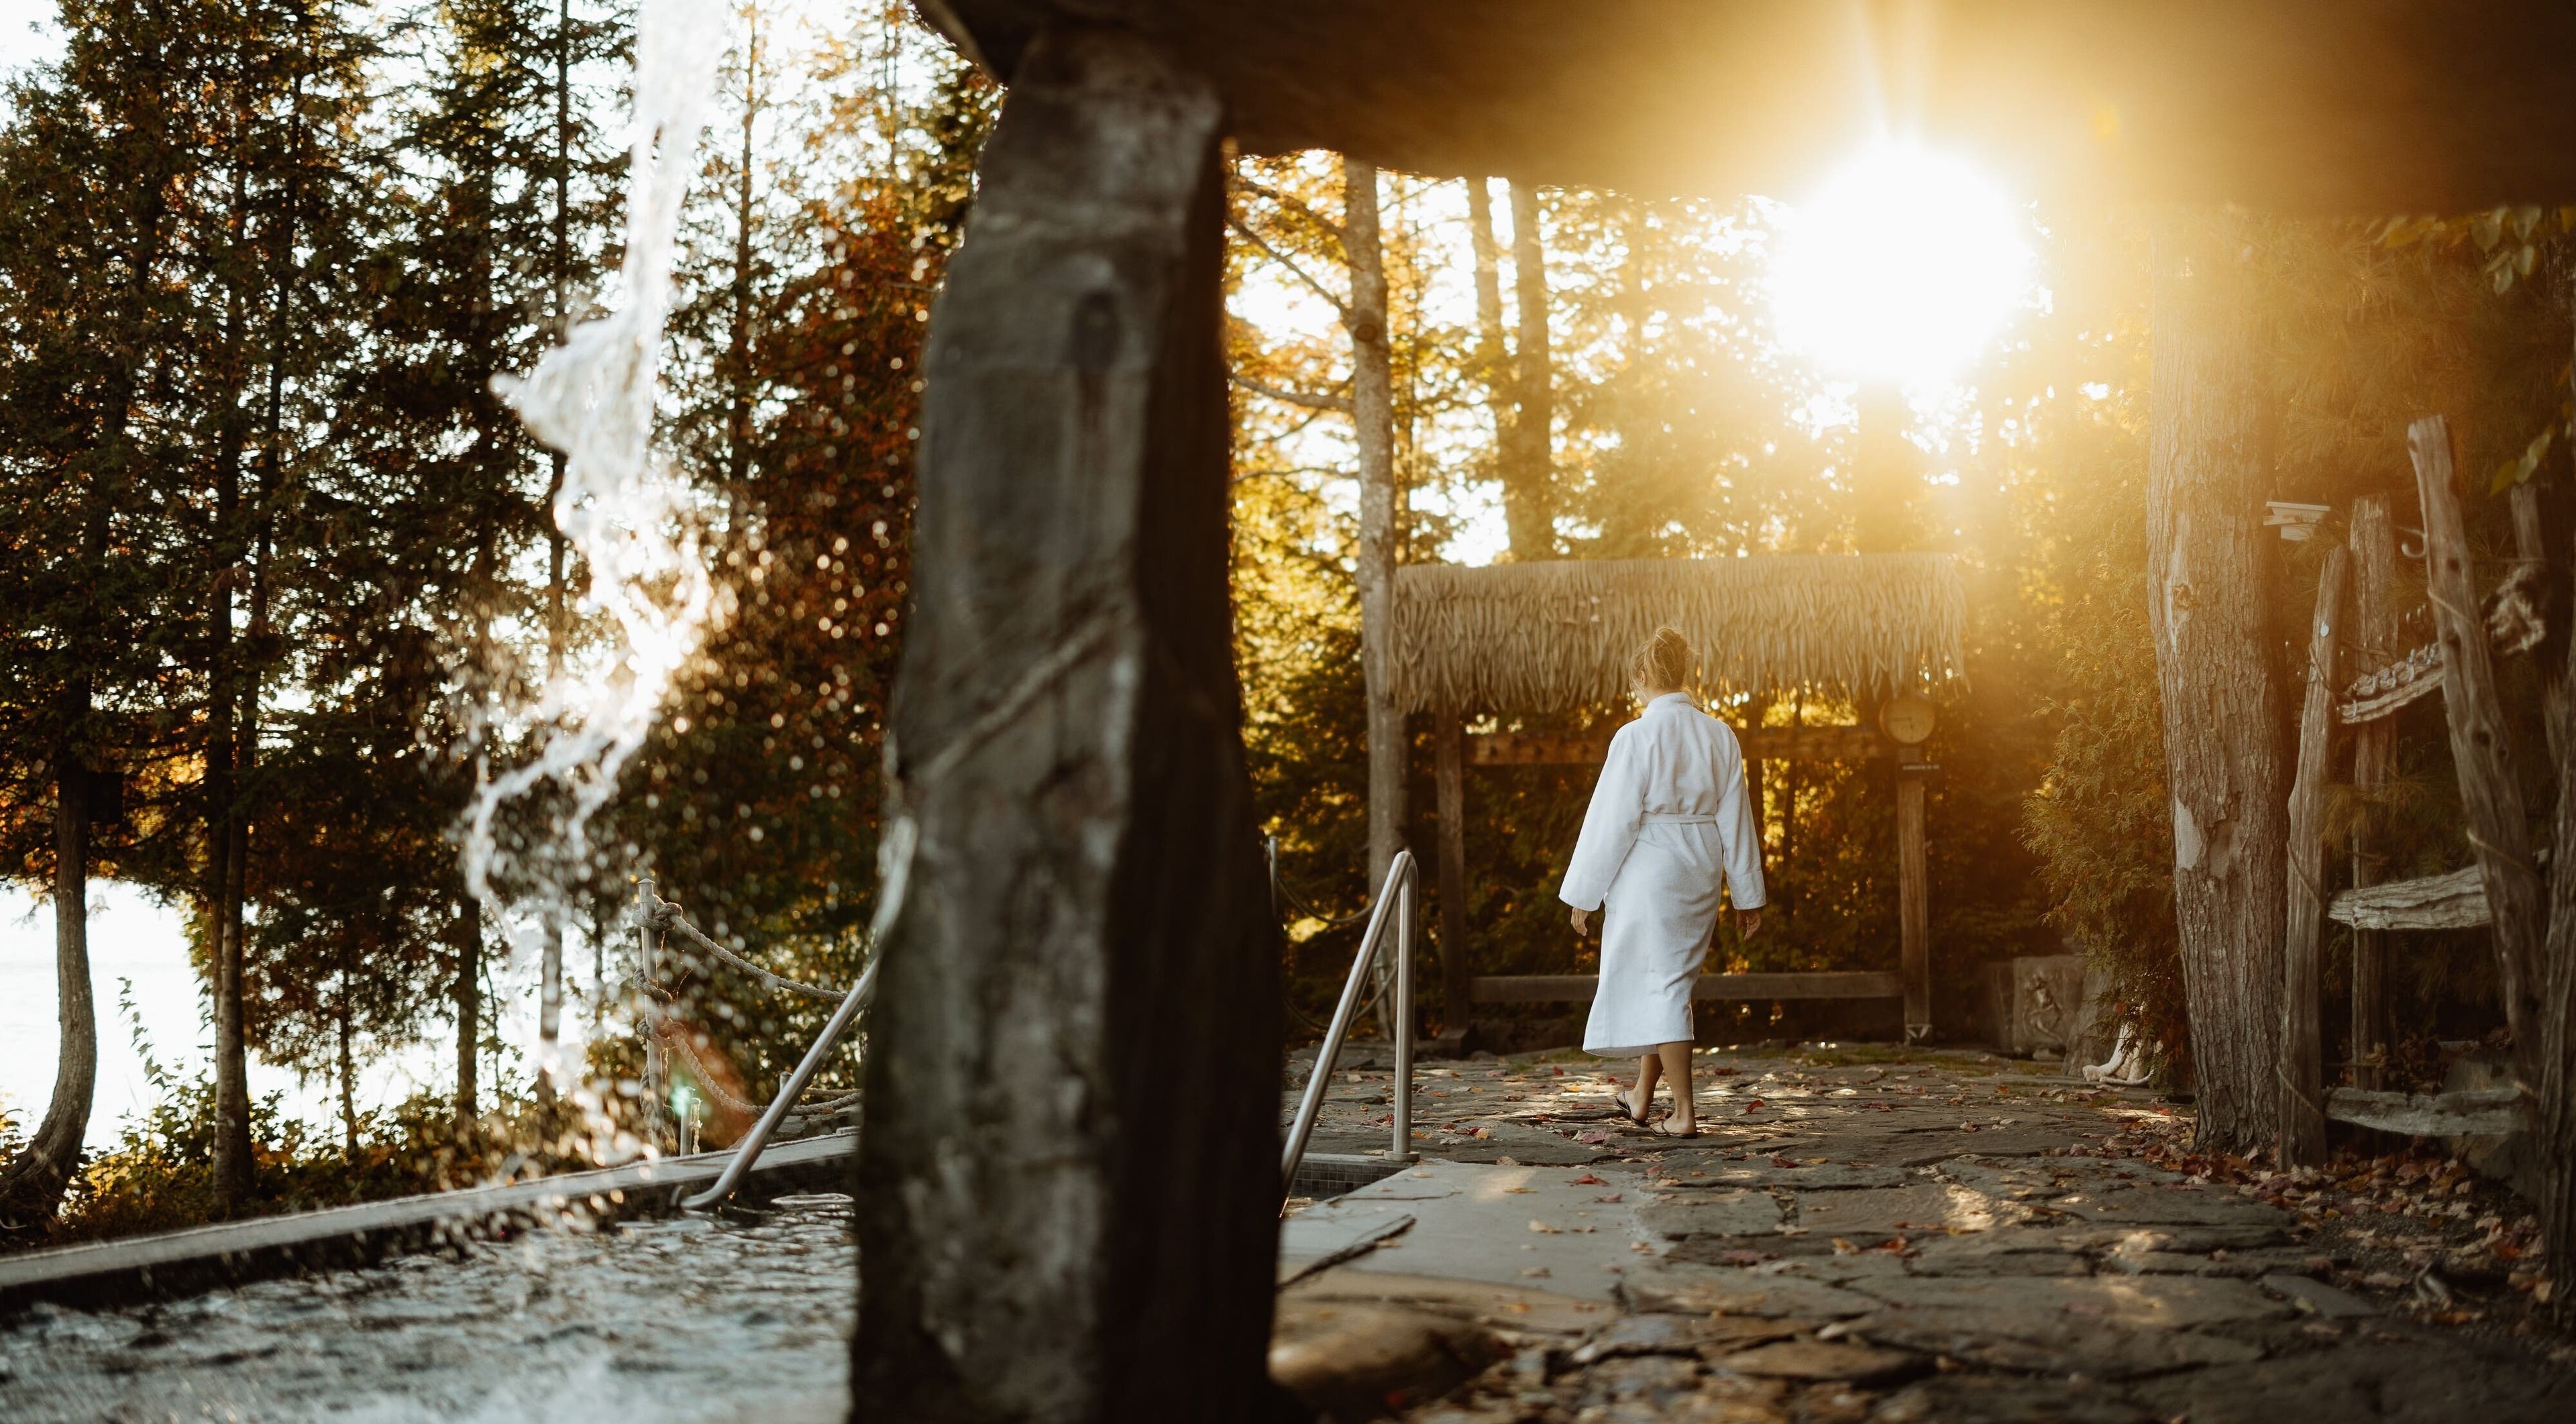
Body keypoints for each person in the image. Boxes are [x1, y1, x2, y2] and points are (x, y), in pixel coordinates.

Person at [1560, 626, 1766, 1136]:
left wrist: (1586, 892)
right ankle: (1641, 1094)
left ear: (1643, 676)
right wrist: (1747, 893)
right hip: (1699, 865)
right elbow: (1737, 819)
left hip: (1649, 865)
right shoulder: (1719, 734)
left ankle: (1685, 1113)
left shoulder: (1635, 736)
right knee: (1668, 978)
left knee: (1666, 982)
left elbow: (1613, 818)